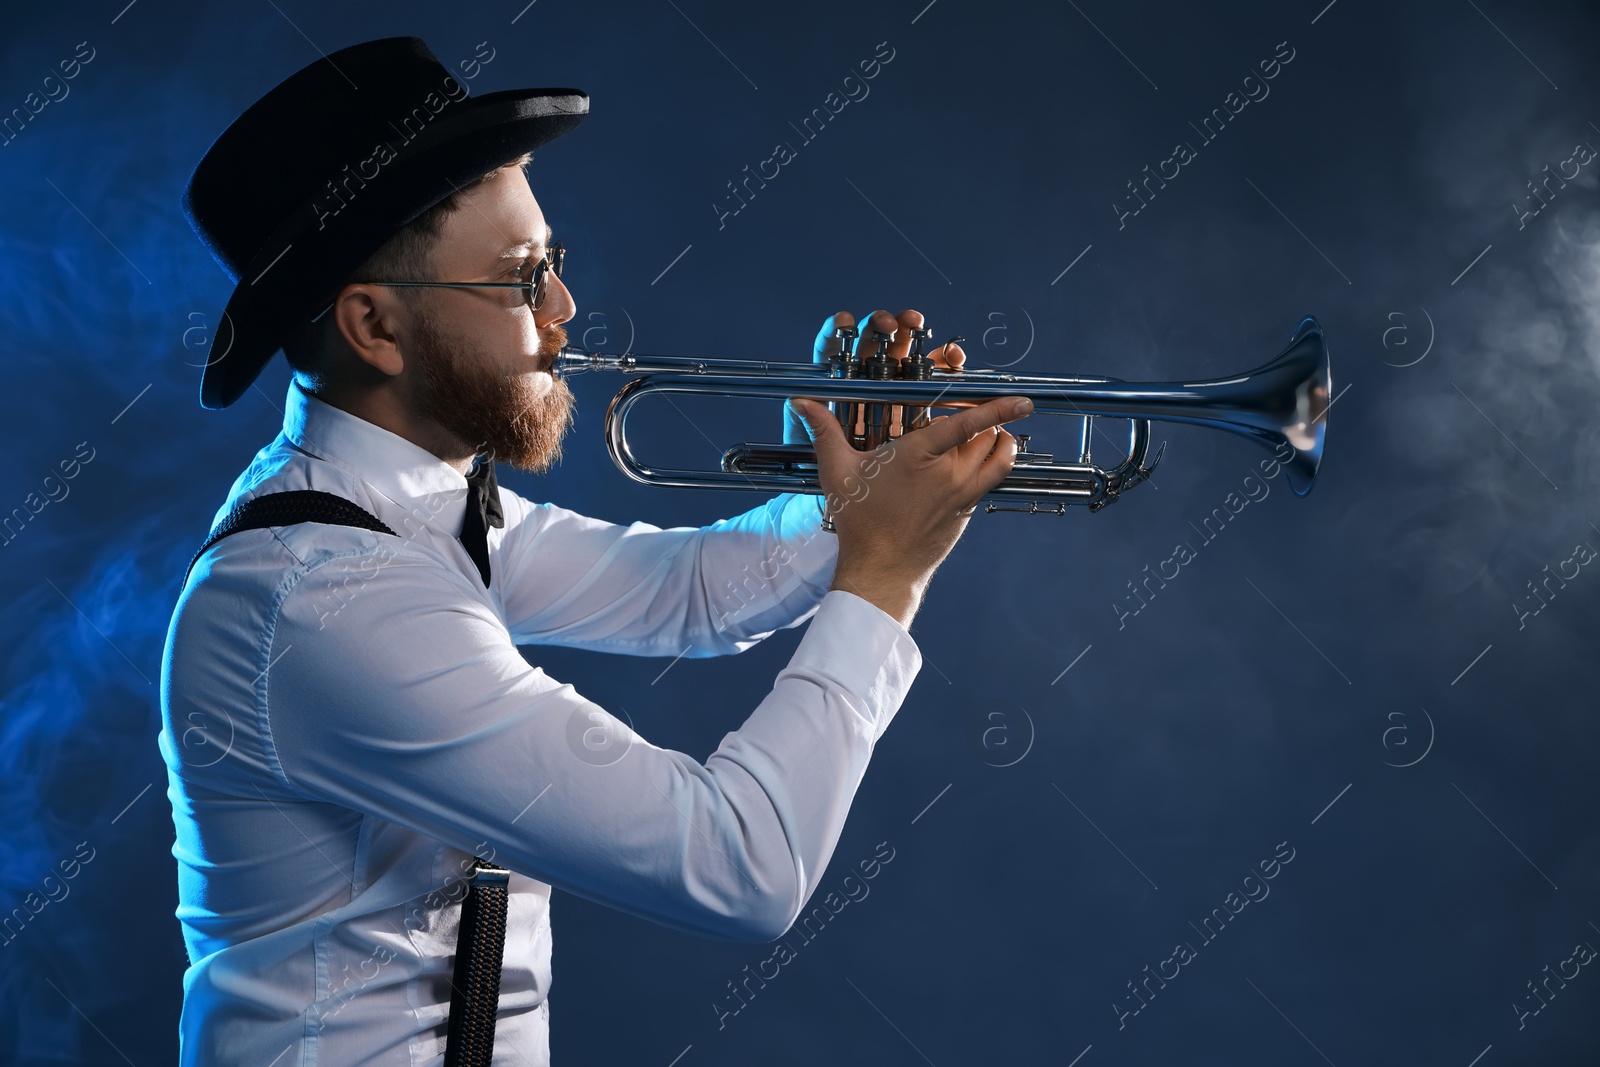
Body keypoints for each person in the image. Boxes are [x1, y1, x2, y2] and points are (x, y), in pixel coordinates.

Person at [161, 36, 1028, 1066]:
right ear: (374, 327)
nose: (564, 313)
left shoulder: (408, 508)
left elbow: (682, 597)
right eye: (524, 278)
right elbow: (739, 864)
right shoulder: (326, 597)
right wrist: (884, 579)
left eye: (554, 265)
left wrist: (843, 503)